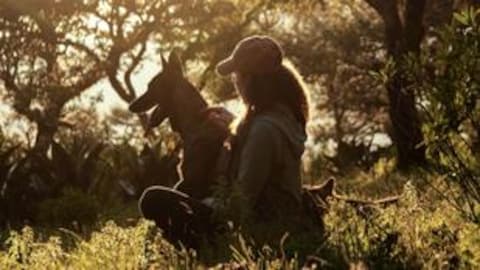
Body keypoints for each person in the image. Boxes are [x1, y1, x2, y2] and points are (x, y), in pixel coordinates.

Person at [139, 35, 320, 249]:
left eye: (237, 75)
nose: (235, 81)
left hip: (264, 228)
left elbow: (242, 200)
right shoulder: (280, 117)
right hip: (277, 215)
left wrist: (204, 205)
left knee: (153, 199)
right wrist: (235, 127)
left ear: (252, 80)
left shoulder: (263, 130)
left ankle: (205, 245)